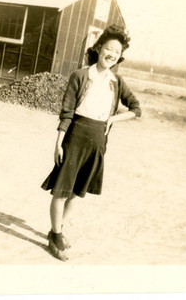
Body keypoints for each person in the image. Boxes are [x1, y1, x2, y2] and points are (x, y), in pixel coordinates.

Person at [41, 24, 141, 261]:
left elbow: (136, 109)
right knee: (62, 190)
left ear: (120, 57)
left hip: (98, 142)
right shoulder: (80, 75)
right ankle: (56, 235)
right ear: (98, 48)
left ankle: (58, 230)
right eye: (108, 49)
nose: (112, 55)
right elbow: (66, 113)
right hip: (75, 137)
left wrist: (113, 118)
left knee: (78, 192)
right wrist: (58, 143)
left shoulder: (117, 82)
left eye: (116, 52)